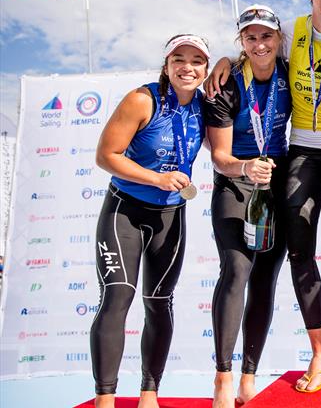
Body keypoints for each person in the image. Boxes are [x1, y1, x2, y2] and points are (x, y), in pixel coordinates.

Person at [206, 0, 321, 392]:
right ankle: (319, 354)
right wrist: (225, 59)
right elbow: (257, 53)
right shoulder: (293, 33)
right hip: (301, 154)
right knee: (299, 252)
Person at [91, 34, 209, 408]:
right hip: (124, 210)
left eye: (197, 61)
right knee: (117, 298)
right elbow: (106, 155)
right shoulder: (143, 99)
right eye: (179, 58)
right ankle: (105, 399)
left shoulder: (205, 106)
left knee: (159, 302)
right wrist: (157, 178)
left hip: (171, 215)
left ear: (206, 69)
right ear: (166, 63)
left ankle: (149, 395)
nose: (187, 67)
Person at [204, 5, 291, 407]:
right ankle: (223, 375)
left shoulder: (289, 74)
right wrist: (244, 167)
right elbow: (219, 156)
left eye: (266, 36)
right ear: (241, 41)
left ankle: (249, 375)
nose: (260, 44)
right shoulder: (226, 86)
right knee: (237, 268)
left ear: (278, 39)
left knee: (265, 280)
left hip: (275, 184)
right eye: (251, 37)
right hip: (235, 185)